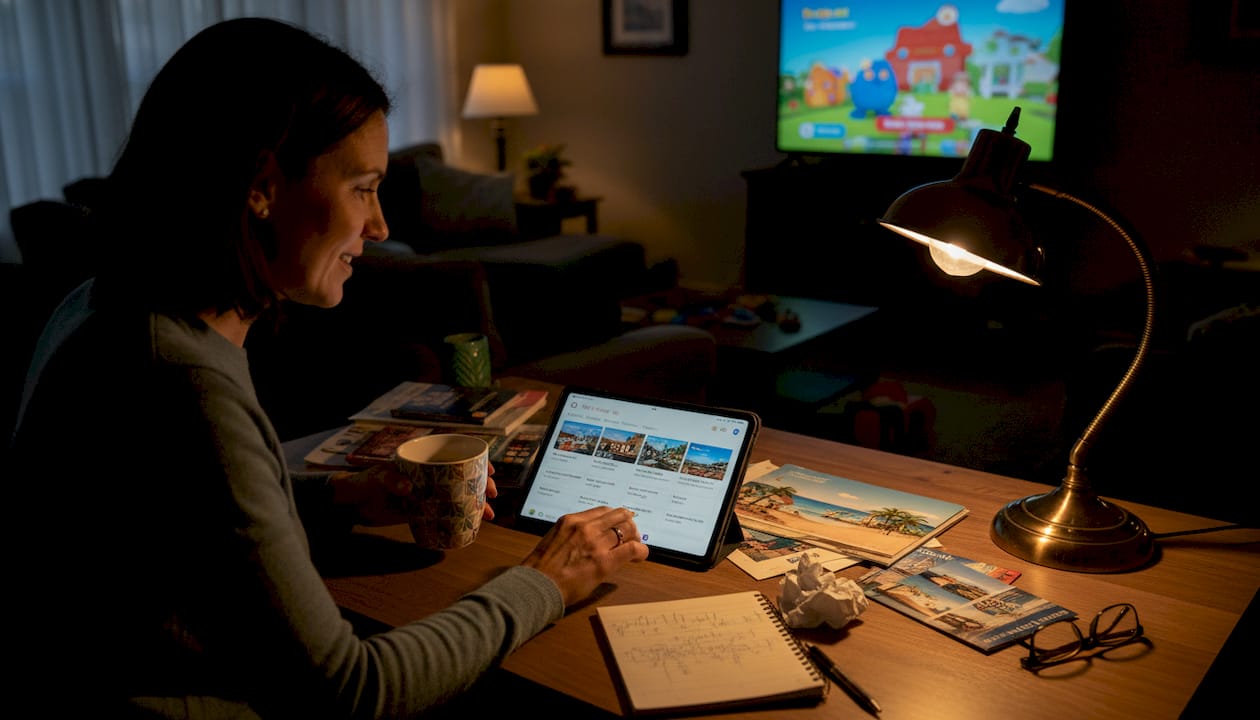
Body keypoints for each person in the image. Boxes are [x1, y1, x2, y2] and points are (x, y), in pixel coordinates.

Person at [6, 17, 648, 718]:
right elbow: (350, 690)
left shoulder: (102, 303)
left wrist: (345, 498)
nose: (379, 227)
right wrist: (546, 581)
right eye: (363, 188)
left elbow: (183, 514)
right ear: (262, 186)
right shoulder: (183, 374)